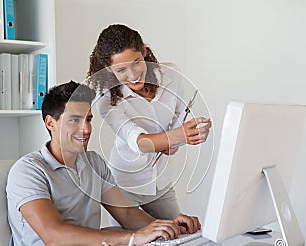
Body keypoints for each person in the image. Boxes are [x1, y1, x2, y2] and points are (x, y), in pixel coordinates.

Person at [6, 80, 201, 246]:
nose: (86, 129)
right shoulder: (28, 171)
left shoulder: (94, 163)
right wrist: (134, 237)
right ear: (51, 123)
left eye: (88, 119)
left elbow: (126, 213)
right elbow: (54, 237)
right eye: (75, 120)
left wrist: (167, 226)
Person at [87, 24, 212, 220]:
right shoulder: (106, 99)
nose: (133, 74)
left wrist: (192, 132)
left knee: (180, 231)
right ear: (108, 69)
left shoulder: (171, 75)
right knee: (131, 245)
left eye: (136, 62)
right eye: (121, 70)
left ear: (144, 52)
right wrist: (178, 137)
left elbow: (179, 119)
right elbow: (138, 141)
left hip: (160, 181)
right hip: (126, 183)